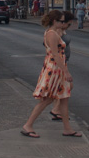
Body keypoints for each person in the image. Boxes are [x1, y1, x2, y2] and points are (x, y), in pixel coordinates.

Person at [21, 10, 80, 138]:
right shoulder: (51, 34)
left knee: (64, 98)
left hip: (57, 68)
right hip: (54, 69)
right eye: (61, 21)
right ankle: (28, 125)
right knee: (47, 99)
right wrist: (66, 72)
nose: (63, 24)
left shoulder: (55, 32)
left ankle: (67, 128)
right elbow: (55, 55)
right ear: (55, 21)